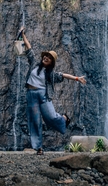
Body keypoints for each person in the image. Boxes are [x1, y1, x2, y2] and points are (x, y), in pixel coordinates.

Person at [18, 27, 86, 155]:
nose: (46, 58)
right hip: (31, 95)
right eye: (45, 56)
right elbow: (28, 47)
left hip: (43, 95)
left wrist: (77, 78)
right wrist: (22, 34)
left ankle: (63, 119)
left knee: (50, 116)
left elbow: (64, 75)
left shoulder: (52, 74)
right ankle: (38, 148)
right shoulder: (34, 64)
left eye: (49, 58)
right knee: (35, 120)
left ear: (51, 62)